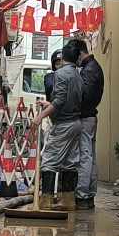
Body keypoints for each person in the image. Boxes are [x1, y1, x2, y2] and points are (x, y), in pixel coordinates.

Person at [38, 47, 84, 191]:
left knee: (49, 161)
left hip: (63, 124)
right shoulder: (78, 75)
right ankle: (68, 200)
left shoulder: (60, 74)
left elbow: (59, 100)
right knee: (70, 162)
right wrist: (49, 104)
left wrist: (40, 116)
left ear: (63, 58)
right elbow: (68, 99)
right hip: (75, 122)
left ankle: (46, 201)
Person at [67, 38, 105, 209]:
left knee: (85, 156)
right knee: (89, 155)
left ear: (80, 53)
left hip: (85, 118)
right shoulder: (93, 68)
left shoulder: (89, 70)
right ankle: (88, 193)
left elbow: (85, 96)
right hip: (89, 117)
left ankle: (83, 194)